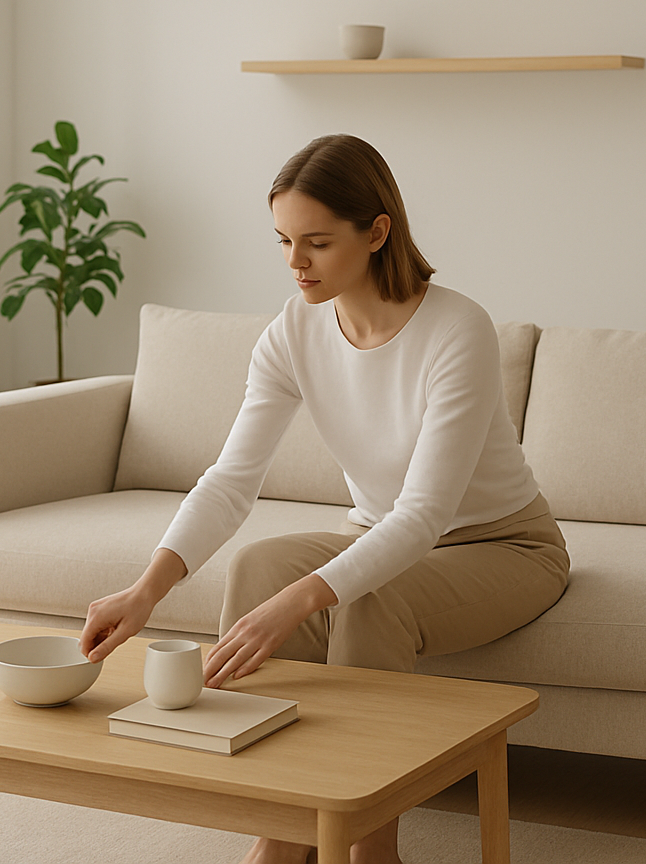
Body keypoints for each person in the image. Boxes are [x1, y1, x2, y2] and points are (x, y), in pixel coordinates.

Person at [80, 134, 570, 864]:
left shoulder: (455, 329)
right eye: (282, 240)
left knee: (369, 596)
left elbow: (425, 515)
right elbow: (231, 478)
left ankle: (372, 849)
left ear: (376, 232)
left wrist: (305, 601)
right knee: (259, 569)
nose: (294, 262)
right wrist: (148, 588)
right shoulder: (293, 332)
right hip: (381, 538)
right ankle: (281, 837)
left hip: (503, 546)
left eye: (316, 241)